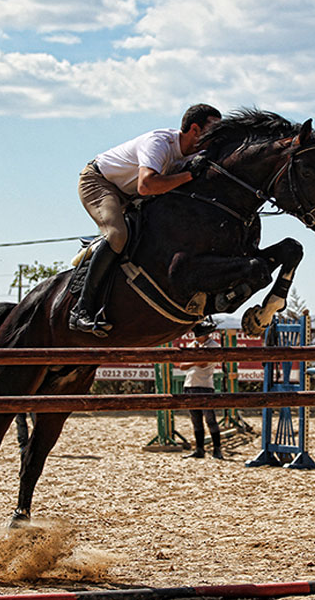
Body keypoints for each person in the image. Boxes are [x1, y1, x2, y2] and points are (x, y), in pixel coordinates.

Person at [70, 103, 222, 336]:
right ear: (194, 129)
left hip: (131, 194)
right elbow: (146, 185)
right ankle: (81, 310)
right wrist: (190, 174)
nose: (215, 139)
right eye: (212, 131)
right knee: (117, 236)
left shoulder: (195, 154)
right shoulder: (159, 143)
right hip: (100, 183)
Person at [179, 319, 223, 459]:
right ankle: (200, 449)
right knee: (196, 419)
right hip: (191, 384)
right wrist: (194, 362)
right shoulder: (194, 345)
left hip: (204, 385)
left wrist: (191, 362)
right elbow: (182, 365)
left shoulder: (213, 346)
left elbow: (202, 363)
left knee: (210, 419)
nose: (196, 337)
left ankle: (217, 449)